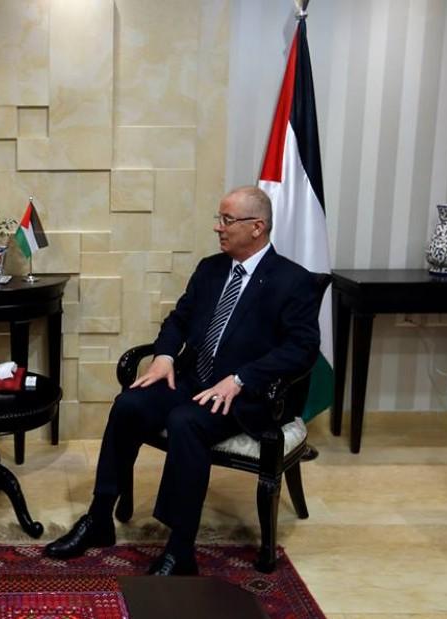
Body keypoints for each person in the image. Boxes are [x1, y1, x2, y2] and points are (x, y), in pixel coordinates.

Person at [44, 186, 320, 575]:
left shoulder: (293, 281)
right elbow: (179, 319)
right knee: (129, 405)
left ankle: (180, 548)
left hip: (244, 395)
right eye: (219, 218)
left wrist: (241, 378)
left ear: (257, 227)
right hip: (195, 379)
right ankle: (99, 517)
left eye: (227, 220)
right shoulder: (211, 268)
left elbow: (302, 348)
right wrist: (164, 356)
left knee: (185, 421)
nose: (218, 227)